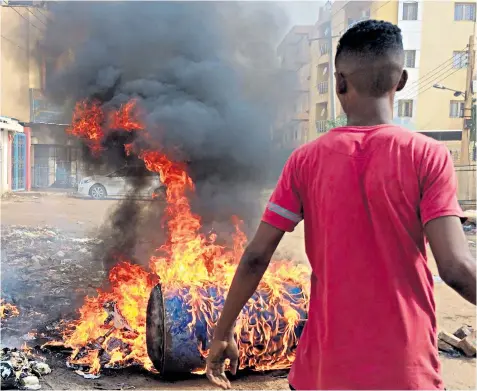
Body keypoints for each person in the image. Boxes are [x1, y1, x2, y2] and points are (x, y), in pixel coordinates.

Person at [205, 20, 476, 390]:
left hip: (323, 373)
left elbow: (256, 256)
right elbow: (457, 268)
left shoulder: (305, 160)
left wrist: (223, 332)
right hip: (404, 372)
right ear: (401, 81)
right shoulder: (428, 156)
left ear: (338, 82)